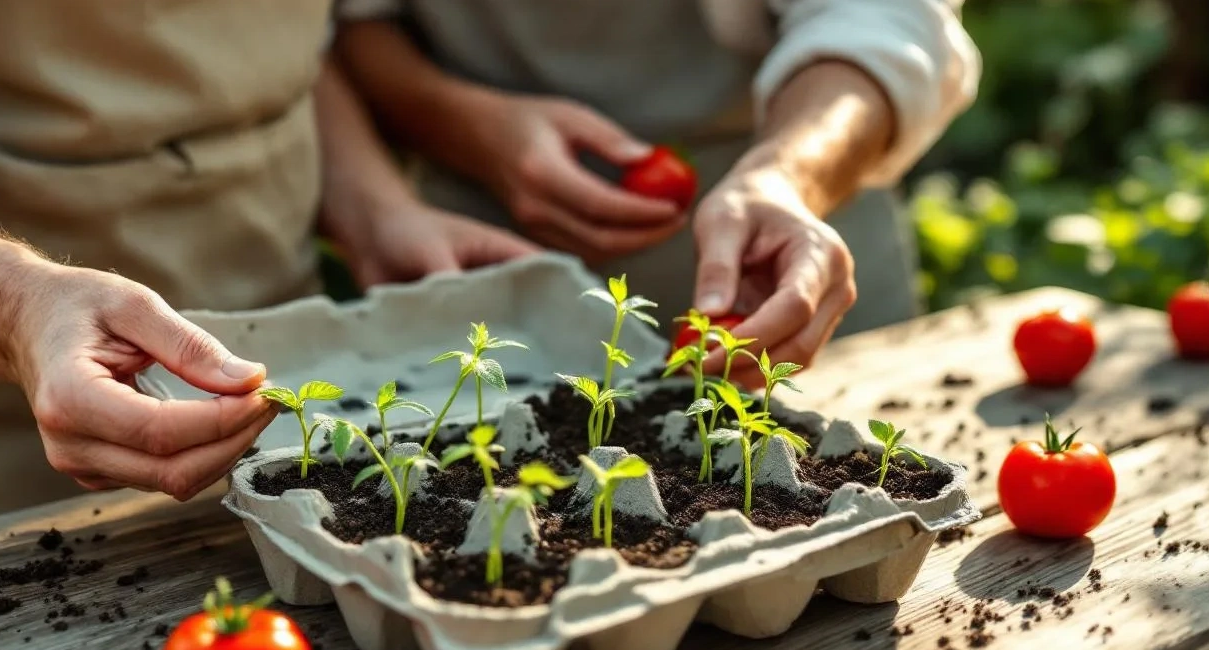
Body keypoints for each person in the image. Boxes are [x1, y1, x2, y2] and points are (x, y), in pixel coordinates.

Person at [0, 0, 537, 528]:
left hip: (298, 395)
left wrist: (373, 207)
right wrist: (16, 306)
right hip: (5, 455)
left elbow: (298, 46)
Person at [333, 0, 981, 386]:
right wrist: (461, 124)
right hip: (486, 264)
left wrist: (787, 175)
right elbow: (342, 25)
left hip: (794, 246)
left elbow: (882, 15)